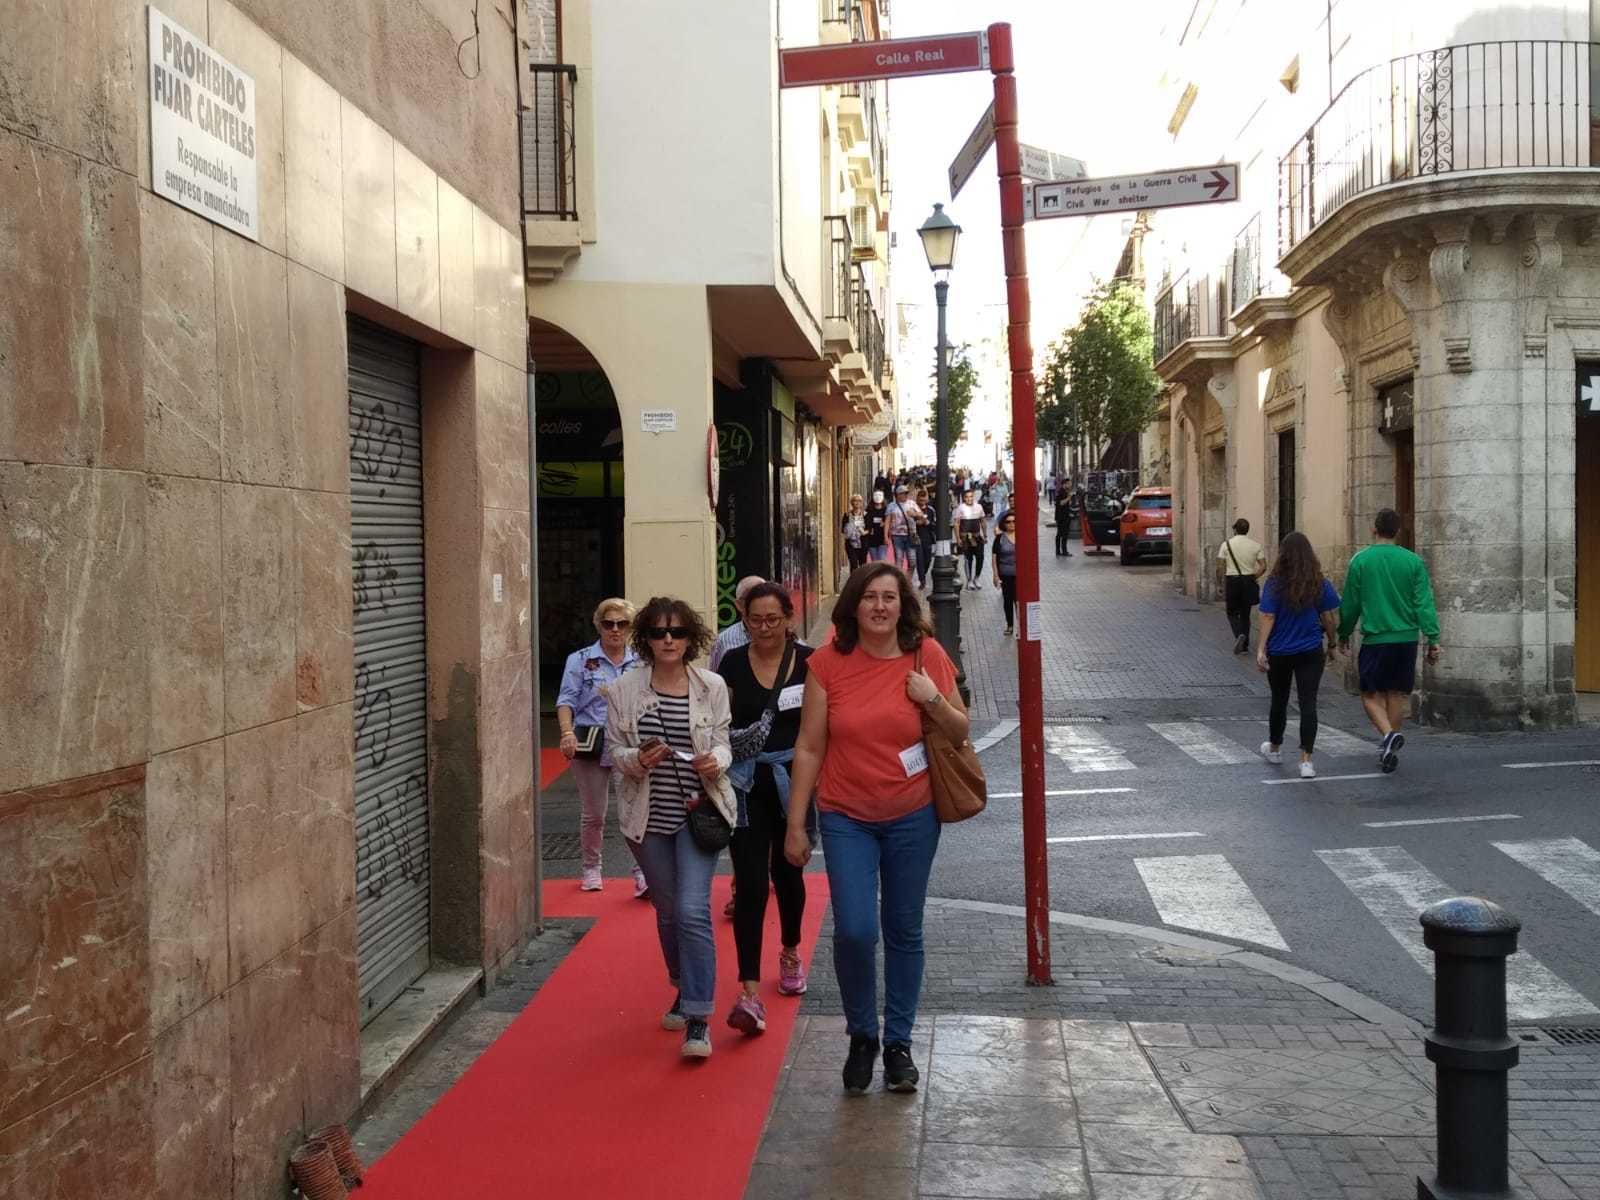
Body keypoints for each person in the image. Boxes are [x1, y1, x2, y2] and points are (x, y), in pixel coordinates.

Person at [783, 563, 967, 1095]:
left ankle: (898, 1043)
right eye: (870, 597)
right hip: (846, 817)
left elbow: (959, 730)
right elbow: (809, 746)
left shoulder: (926, 654)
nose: (880, 606)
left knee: (904, 929)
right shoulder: (827, 663)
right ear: (854, 605)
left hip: (914, 815)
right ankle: (863, 1034)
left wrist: (930, 697)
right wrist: (797, 824)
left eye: (889, 597)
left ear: (902, 604)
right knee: (856, 929)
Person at [605, 597, 734, 1059]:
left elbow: (724, 743)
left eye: (677, 632)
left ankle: (698, 1018)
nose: (668, 640)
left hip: (699, 816)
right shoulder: (623, 690)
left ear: (690, 638)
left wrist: (715, 760)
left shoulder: (711, 686)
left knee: (692, 909)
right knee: (668, 911)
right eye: (659, 632)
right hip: (647, 818)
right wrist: (638, 759)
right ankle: (682, 984)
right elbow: (614, 752)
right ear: (646, 638)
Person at [716, 582, 813, 1036]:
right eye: (755, 619)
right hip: (747, 783)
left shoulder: (809, 662)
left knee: (789, 873)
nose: (764, 628)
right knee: (751, 883)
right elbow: (720, 720)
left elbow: (819, 728)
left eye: (773, 619)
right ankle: (749, 990)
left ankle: (790, 949)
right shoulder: (732, 662)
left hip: (794, 782)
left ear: (789, 618)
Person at [1336, 508, 1442, 773]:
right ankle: (1389, 746)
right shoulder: (1413, 561)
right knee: (1396, 693)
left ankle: (1388, 735)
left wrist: (1343, 633)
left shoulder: (1361, 561)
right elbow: (1424, 603)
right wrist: (1433, 637)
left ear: (1374, 529)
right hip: (1406, 639)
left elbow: (1351, 603)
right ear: (1397, 532)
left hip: (1377, 639)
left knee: (1370, 695)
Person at [556, 599, 650, 897]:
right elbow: (566, 700)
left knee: (633, 811)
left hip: (628, 744)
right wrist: (567, 733)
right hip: (590, 741)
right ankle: (591, 868)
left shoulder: (641, 661)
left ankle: (642, 872)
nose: (615, 629)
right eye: (609, 623)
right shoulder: (580, 660)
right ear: (599, 625)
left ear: (630, 627)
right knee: (594, 813)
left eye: (622, 624)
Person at [1254, 533, 1341, 780]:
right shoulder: (1318, 581)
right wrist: (1332, 643)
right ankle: (1306, 761)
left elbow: (1268, 615)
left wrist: (1261, 648)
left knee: (1279, 699)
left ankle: (1275, 747)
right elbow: (1328, 616)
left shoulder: (1274, 583)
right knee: (1308, 703)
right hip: (1310, 650)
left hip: (1280, 651)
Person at [1216, 518, 1267, 654]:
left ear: (1235, 529)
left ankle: (1239, 634)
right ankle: (1244, 646)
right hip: (1248, 580)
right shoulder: (1256, 545)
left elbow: (1219, 567)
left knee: (1231, 612)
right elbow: (1263, 566)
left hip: (1232, 581)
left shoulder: (1226, 545)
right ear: (1247, 530)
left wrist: (1219, 584)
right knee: (1245, 614)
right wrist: (1254, 576)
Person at [709, 575, 765, 670]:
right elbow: (715, 677)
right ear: (739, 604)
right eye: (752, 598)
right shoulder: (723, 641)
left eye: (764, 596)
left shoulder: (784, 635)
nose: (760, 602)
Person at [992, 511, 1019, 636]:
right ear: (1004, 524)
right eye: (1008, 522)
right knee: (1008, 600)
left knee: (1018, 600)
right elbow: (994, 558)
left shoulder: (1021, 536)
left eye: (1014, 521)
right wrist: (995, 575)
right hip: (1005, 574)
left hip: (1019, 575)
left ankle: (1020, 626)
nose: (1011, 524)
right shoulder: (999, 538)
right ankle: (1010, 625)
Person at [956, 488, 987, 589]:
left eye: (971, 496)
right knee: (968, 559)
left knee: (980, 557)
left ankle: (976, 578)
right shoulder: (960, 508)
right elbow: (956, 524)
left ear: (974, 497)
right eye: (967, 497)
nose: (969, 499)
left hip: (977, 537)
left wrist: (985, 535)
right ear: (964, 498)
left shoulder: (979, 507)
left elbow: (983, 521)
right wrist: (958, 539)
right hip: (965, 538)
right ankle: (969, 580)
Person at [886, 484, 917, 574]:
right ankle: (900, 579)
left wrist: (914, 514)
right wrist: (886, 536)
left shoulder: (912, 503)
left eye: (907, 493)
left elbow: (920, 514)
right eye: (904, 493)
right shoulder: (891, 506)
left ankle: (908, 579)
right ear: (898, 494)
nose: (906, 495)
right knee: (899, 560)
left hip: (910, 535)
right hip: (897, 536)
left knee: (912, 561)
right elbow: (887, 522)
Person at [912, 486, 935, 590]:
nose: (922, 502)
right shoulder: (913, 509)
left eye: (924, 500)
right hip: (916, 538)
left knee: (928, 560)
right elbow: (910, 522)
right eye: (920, 500)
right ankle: (922, 580)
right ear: (917, 499)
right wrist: (917, 523)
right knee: (919, 559)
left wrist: (927, 522)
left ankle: (923, 574)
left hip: (928, 538)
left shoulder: (931, 510)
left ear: (927, 499)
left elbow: (934, 525)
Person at [841, 494, 868, 573]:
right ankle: (854, 579)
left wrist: (864, 532)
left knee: (863, 564)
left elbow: (870, 528)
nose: (857, 502)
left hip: (863, 543)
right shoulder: (847, 515)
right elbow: (843, 529)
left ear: (862, 503)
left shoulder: (866, 515)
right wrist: (849, 529)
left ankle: (862, 580)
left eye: (859, 501)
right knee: (853, 563)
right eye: (855, 500)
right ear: (851, 502)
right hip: (851, 544)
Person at [864, 490, 890, 562]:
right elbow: (865, 521)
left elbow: (890, 521)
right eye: (876, 495)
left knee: (881, 559)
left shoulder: (886, 510)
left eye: (880, 495)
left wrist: (885, 523)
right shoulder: (868, 510)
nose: (878, 497)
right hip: (871, 539)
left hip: (882, 538)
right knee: (874, 560)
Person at [1053, 486, 1074, 558]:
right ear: (1065, 484)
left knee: (1062, 534)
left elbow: (1067, 505)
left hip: (1064, 517)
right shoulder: (1060, 492)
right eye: (1069, 483)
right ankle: (1062, 551)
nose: (1070, 485)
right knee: (1062, 534)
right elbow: (1061, 503)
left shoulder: (1064, 492)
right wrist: (1068, 498)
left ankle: (1060, 551)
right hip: (1061, 517)